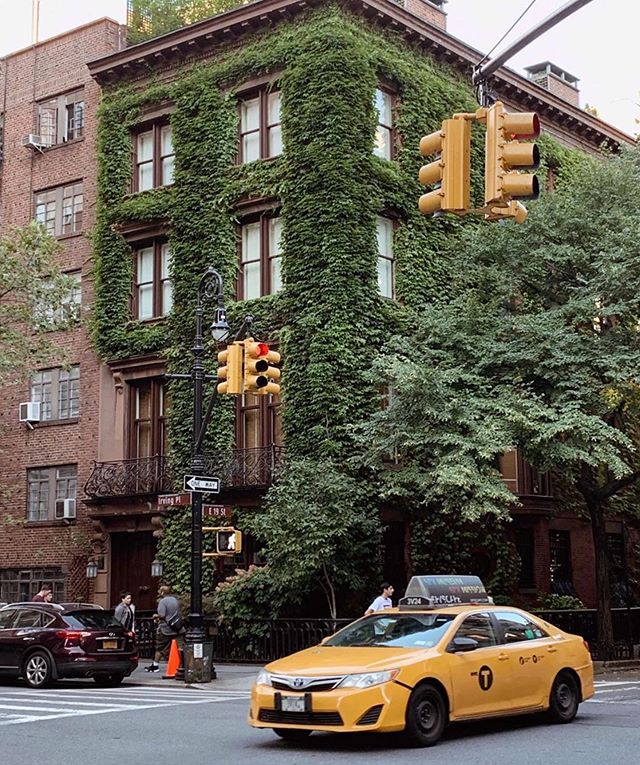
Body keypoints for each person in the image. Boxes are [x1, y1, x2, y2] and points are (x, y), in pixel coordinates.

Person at [146, 584, 183, 673]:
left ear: (162, 592)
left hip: (166, 628)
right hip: (178, 627)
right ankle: (183, 664)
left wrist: (155, 616)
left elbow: (162, 615)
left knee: (160, 647)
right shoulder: (175, 600)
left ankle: (155, 665)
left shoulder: (162, 602)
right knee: (180, 646)